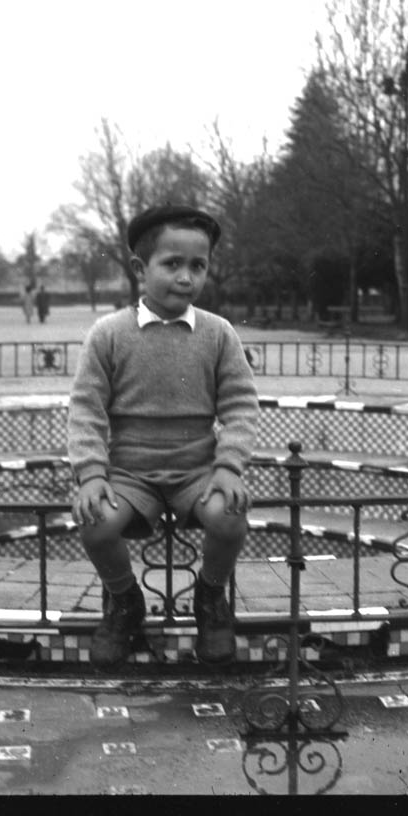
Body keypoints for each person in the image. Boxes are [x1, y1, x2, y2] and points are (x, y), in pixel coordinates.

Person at [67, 204, 260, 670]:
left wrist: (229, 464)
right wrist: (92, 475)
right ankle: (124, 601)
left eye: (198, 266)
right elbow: (86, 408)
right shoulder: (109, 334)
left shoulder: (218, 333)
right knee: (95, 524)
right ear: (140, 268)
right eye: (172, 264)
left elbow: (239, 404)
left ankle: (210, 598)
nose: (186, 278)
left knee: (231, 517)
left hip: (197, 470)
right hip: (131, 473)